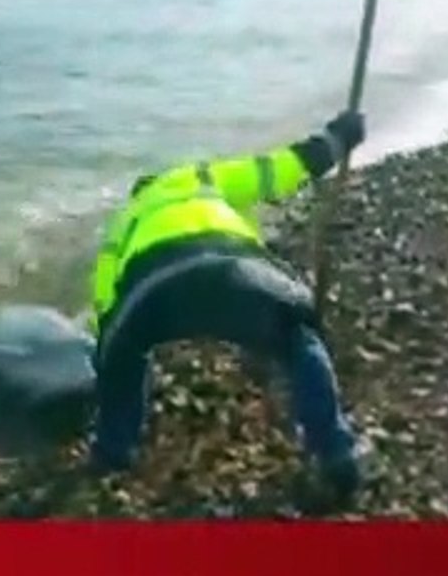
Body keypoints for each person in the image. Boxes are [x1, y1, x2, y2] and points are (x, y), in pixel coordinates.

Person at [87, 110, 366, 499]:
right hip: (236, 265)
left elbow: (105, 298)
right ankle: (335, 450)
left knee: (124, 347)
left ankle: (112, 451)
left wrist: (104, 355)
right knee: (299, 330)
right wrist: (337, 140)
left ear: (139, 191)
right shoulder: (201, 178)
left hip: (157, 281)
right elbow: (278, 170)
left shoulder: (126, 217)